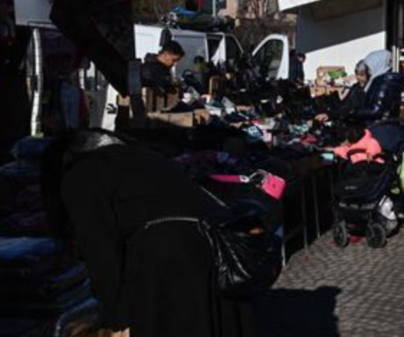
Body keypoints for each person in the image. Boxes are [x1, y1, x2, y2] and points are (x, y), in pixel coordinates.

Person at [41, 130, 259, 337]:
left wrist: (116, 317)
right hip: (215, 248)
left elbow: (100, 251)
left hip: (169, 258)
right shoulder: (143, 158)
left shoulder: (82, 174)